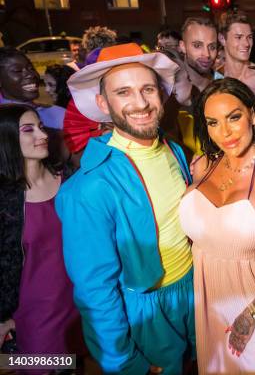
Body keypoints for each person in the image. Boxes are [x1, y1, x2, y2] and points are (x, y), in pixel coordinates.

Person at [56, 43, 195, 374]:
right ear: (103, 103)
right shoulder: (88, 188)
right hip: (145, 313)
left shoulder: (173, 150)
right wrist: (124, 362)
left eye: (148, 88)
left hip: (193, 293)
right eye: (124, 92)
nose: (141, 103)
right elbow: (95, 291)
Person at [180, 77, 255, 373]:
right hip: (207, 302)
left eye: (233, 117)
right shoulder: (202, 165)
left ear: (251, 113)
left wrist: (251, 316)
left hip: (254, 305)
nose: (225, 133)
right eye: (212, 123)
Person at [0, 105, 83, 358]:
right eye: (28, 130)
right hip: (34, 313)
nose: (42, 134)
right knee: (43, 367)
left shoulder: (70, 180)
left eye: (41, 126)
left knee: (79, 363)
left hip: (84, 301)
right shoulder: (5, 199)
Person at [0, 48, 66, 131]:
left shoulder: (58, 113)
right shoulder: (3, 122)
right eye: (18, 71)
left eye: (31, 68)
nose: (31, 75)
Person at [179, 17, 218, 93]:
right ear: (183, 46)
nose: (207, 54)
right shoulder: (170, 89)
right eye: (197, 46)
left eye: (212, 47)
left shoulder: (223, 84)